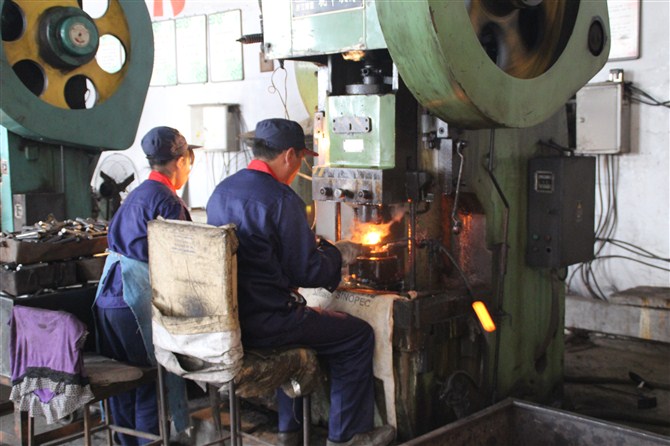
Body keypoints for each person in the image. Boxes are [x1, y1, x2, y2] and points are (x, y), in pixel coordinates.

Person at [206, 118, 395, 446]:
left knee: (304, 333)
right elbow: (308, 274)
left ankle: (288, 431)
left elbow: (259, 253)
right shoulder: (282, 199)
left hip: (233, 321)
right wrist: (338, 253)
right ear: (289, 155)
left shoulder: (222, 191)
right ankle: (348, 436)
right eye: (301, 160)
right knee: (357, 337)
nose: (298, 169)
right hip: (270, 322)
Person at [93, 126, 196, 445]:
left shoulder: (136, 195)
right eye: (189, 164)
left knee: (123, 385)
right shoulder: (167, 201)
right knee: (151, 384)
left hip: (109, 299)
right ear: (180, 161)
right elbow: (182, 261)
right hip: (134, 303)